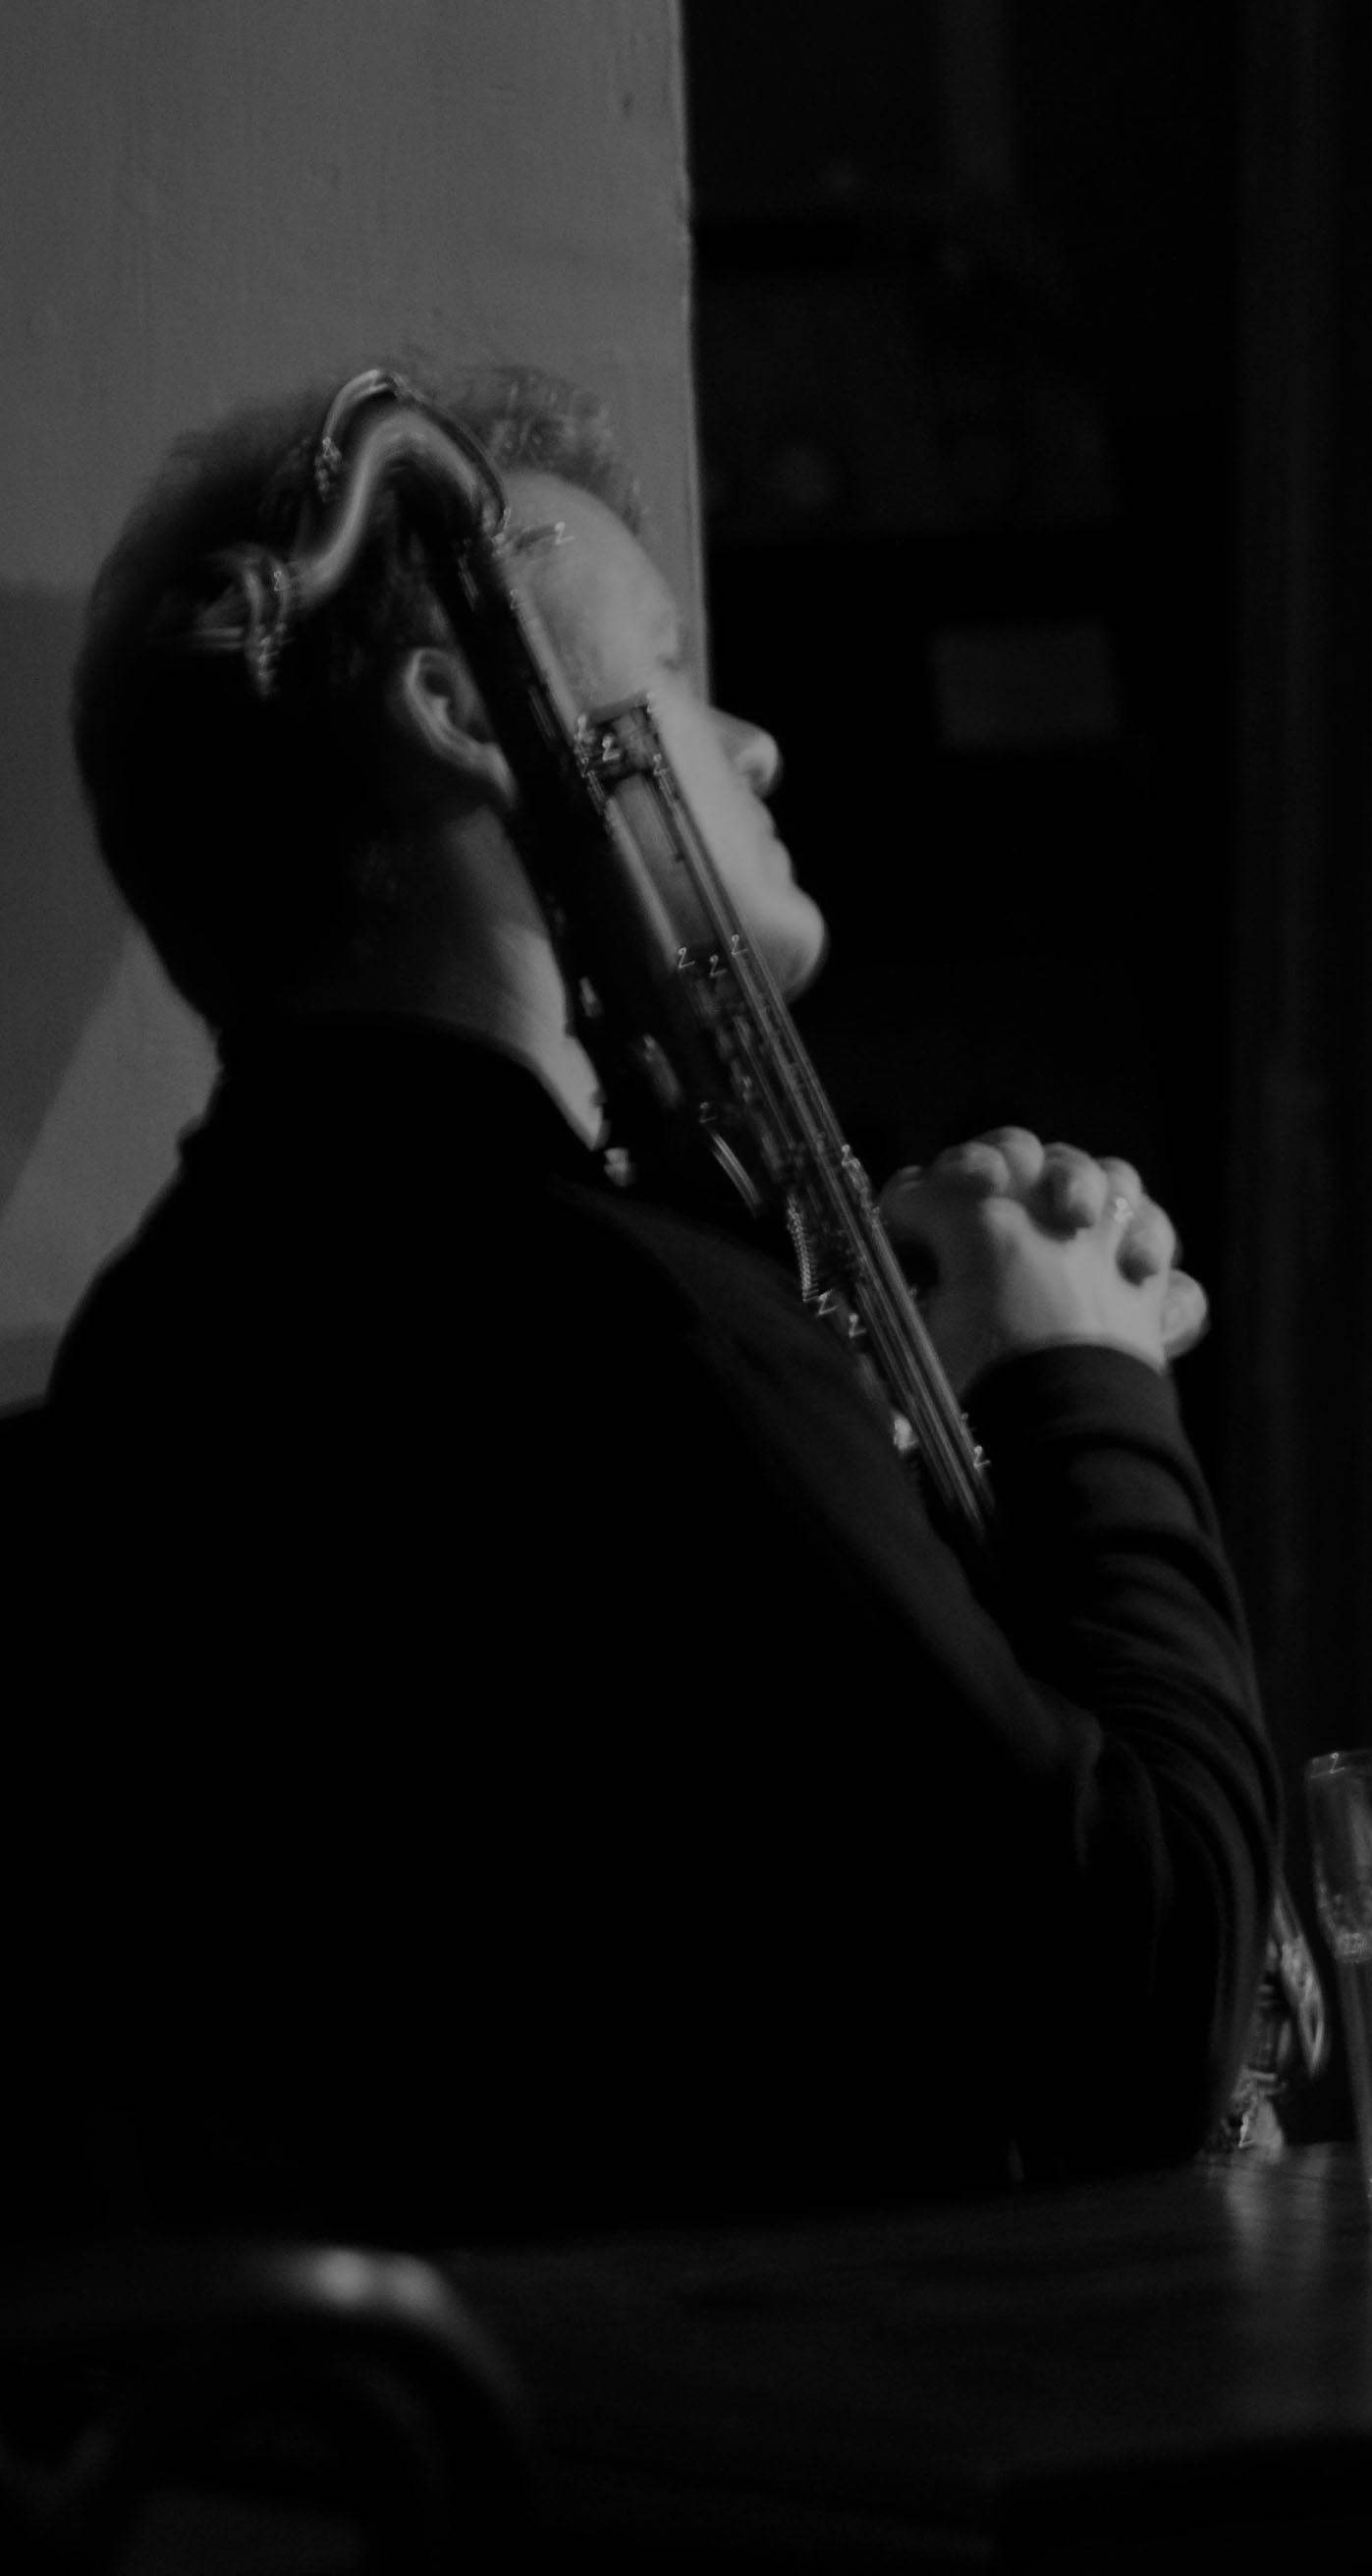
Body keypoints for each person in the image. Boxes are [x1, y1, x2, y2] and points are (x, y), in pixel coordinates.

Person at [35, 362, 1280, 2248]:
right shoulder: (634, 1327)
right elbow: (1151, 2000)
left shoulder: (157, 1339)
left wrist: (912, 1431)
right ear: (466, 711)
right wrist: (1086, 1382)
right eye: (680, 672)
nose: (754, 746)